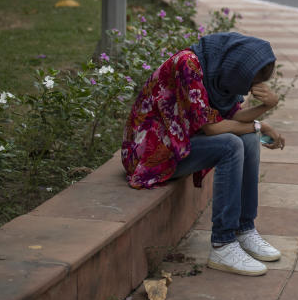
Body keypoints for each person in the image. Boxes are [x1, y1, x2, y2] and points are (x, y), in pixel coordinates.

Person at [121, 32, 287, 276]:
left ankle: (245, 228)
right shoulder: (187, 65)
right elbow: (213, 128)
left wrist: (266, 107)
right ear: (238, 68)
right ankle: (222, 243)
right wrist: (260, 125)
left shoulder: (220, 69)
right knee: (231, 144)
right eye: (247, 84)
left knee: (248, 139)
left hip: (182, 142)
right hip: (152, 154)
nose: (247, 90)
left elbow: (229, 117)